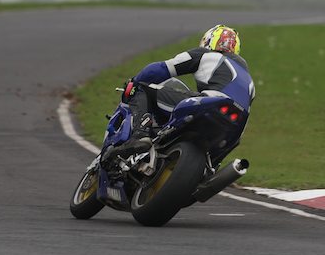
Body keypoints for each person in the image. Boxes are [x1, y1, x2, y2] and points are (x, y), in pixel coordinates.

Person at [107, 24, 255, 159]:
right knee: (213, 159)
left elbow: (160, 69)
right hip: (235, 127)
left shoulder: (206, 55)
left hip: (212, 102)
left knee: (142, 88)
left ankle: (140, 135)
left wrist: (134, 81)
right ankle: (208, 170)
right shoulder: (249, 79)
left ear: (209, 41)